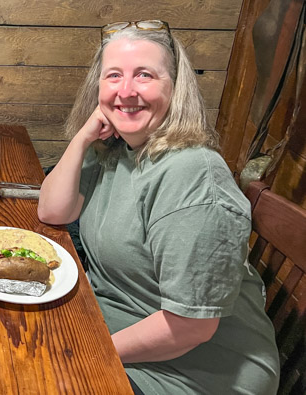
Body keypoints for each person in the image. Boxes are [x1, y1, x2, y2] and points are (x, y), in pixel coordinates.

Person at [37, 20, 279, 394]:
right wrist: (85, 135)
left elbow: (191, 327)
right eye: (113, 76)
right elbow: (53, 212)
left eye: (145, 75)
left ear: (176, 89)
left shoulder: (192, 173)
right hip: (112, 328)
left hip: (196, 373)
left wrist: (85, 352)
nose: (126, 91)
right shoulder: (117, 149)